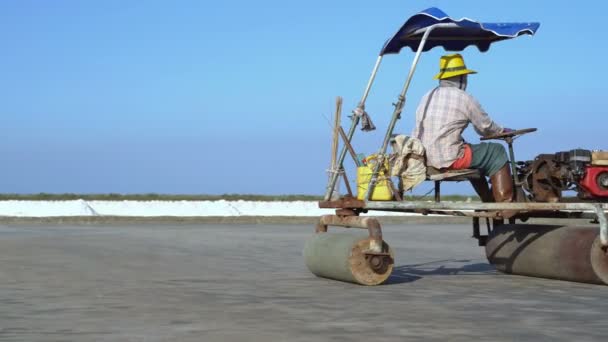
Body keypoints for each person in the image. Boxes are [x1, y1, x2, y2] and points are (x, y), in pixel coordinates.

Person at [411, 53, 513, 205]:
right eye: (464, 77)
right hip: (447, 159)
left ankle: (488, 201)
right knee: (496, 151)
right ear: (460, 79)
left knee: (472, 152)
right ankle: (506, 203)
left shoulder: (428, 95)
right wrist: (502, 131)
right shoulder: (464, 97)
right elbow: (485, 128)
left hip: (422, 157)